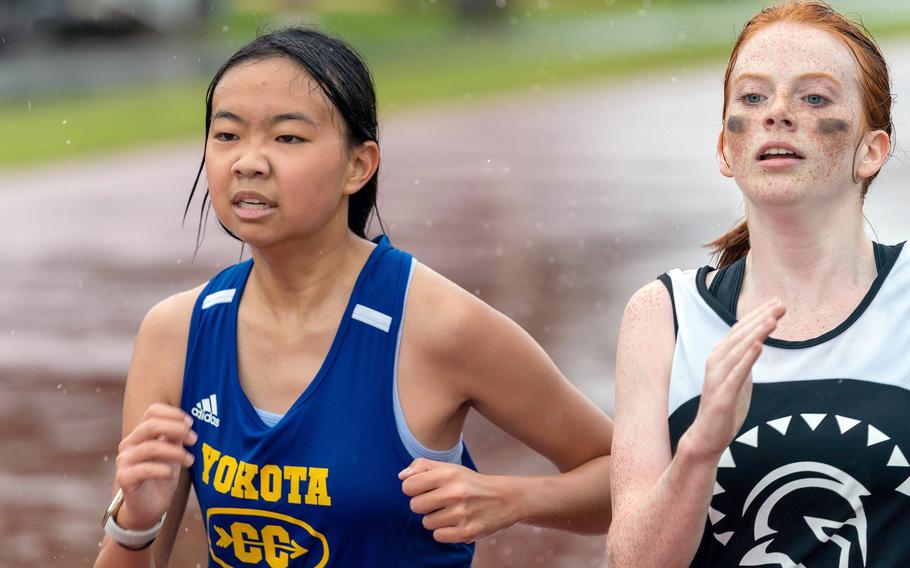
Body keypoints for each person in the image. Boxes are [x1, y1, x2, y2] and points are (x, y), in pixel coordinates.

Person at [94, 27, 613, 568]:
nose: (248, 162)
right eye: (227, 136)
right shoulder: (176, 333)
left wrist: (513, 500)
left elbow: (621, 474)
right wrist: (135, 522)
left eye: (287, 138)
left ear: (358, 165)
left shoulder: (439, 324)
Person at [608, 1, 901, 566]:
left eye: (814, 96)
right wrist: (699, 448)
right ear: (725, 147)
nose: (778, 113)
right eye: (752, 97)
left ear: (871, 151)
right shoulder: (663, 316)